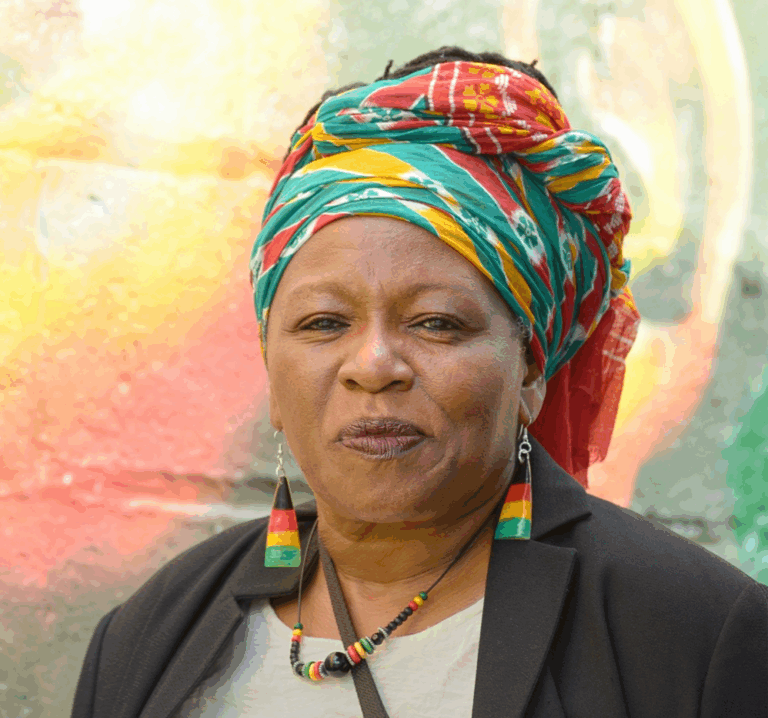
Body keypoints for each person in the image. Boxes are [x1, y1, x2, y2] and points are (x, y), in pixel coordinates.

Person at [71, 47, 768, 718]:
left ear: (529, 368)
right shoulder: (144, 639)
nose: (373, 365)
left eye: (436, 323)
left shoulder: (691, 637)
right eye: (322, 323)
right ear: (271, 371)